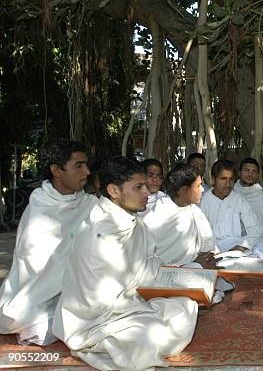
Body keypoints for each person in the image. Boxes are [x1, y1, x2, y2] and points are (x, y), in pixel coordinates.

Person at [52, 156, 198, 370]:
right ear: (113, 191)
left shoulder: (132, 220)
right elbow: (96, 299)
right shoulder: (98, 231)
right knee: (148, 337)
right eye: (138, 187)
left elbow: (148, 264)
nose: (147, 193)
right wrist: (152, 290)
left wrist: (171, 279)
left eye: (145, 186)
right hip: (98, 318)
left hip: (133, 303)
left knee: (186, 306)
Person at [0, 140, 97, 345]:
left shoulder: (91, 204)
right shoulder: (39, 206)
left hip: (84, 287)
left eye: (86, 165)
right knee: (30, 321)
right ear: (56, 170)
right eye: (78, 165)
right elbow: (32, 263)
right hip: (43, 291)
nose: (87, 171)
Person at [143, 163, 216, 267]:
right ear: (184, 190)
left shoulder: (196, 212)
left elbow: (206, 248)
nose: (203, 189)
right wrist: (195, 265)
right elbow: (151, 263)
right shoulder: (157, 215)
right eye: (198, 186)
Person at [199, 159, 263, 258]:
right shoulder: (203, 201)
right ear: (213, 180)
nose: (228, 184)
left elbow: (255, 229)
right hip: (212, 245)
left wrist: (242, 246)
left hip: (236, 244)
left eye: (231, 179)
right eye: (223, 179)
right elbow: (199, 234)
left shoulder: (239, 200)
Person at [233, 157, 263, 230]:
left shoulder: (262, 198)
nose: (250, 174)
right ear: (239, 173)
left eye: (254, 171)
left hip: (257, 236)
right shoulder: (231, 192)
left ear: (258, 175)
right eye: (246, 170)